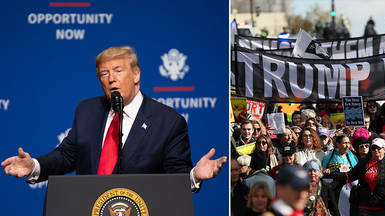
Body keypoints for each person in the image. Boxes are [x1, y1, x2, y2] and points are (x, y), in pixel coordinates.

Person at [1, 46, 226, 189]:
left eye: (118, 71)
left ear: (136, 74)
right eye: (104, 74)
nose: (111, 79)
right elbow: (67, 155)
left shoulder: (168, 122)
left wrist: (194, 175)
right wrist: (34, 166)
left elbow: (175, 176)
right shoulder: (87, 110)